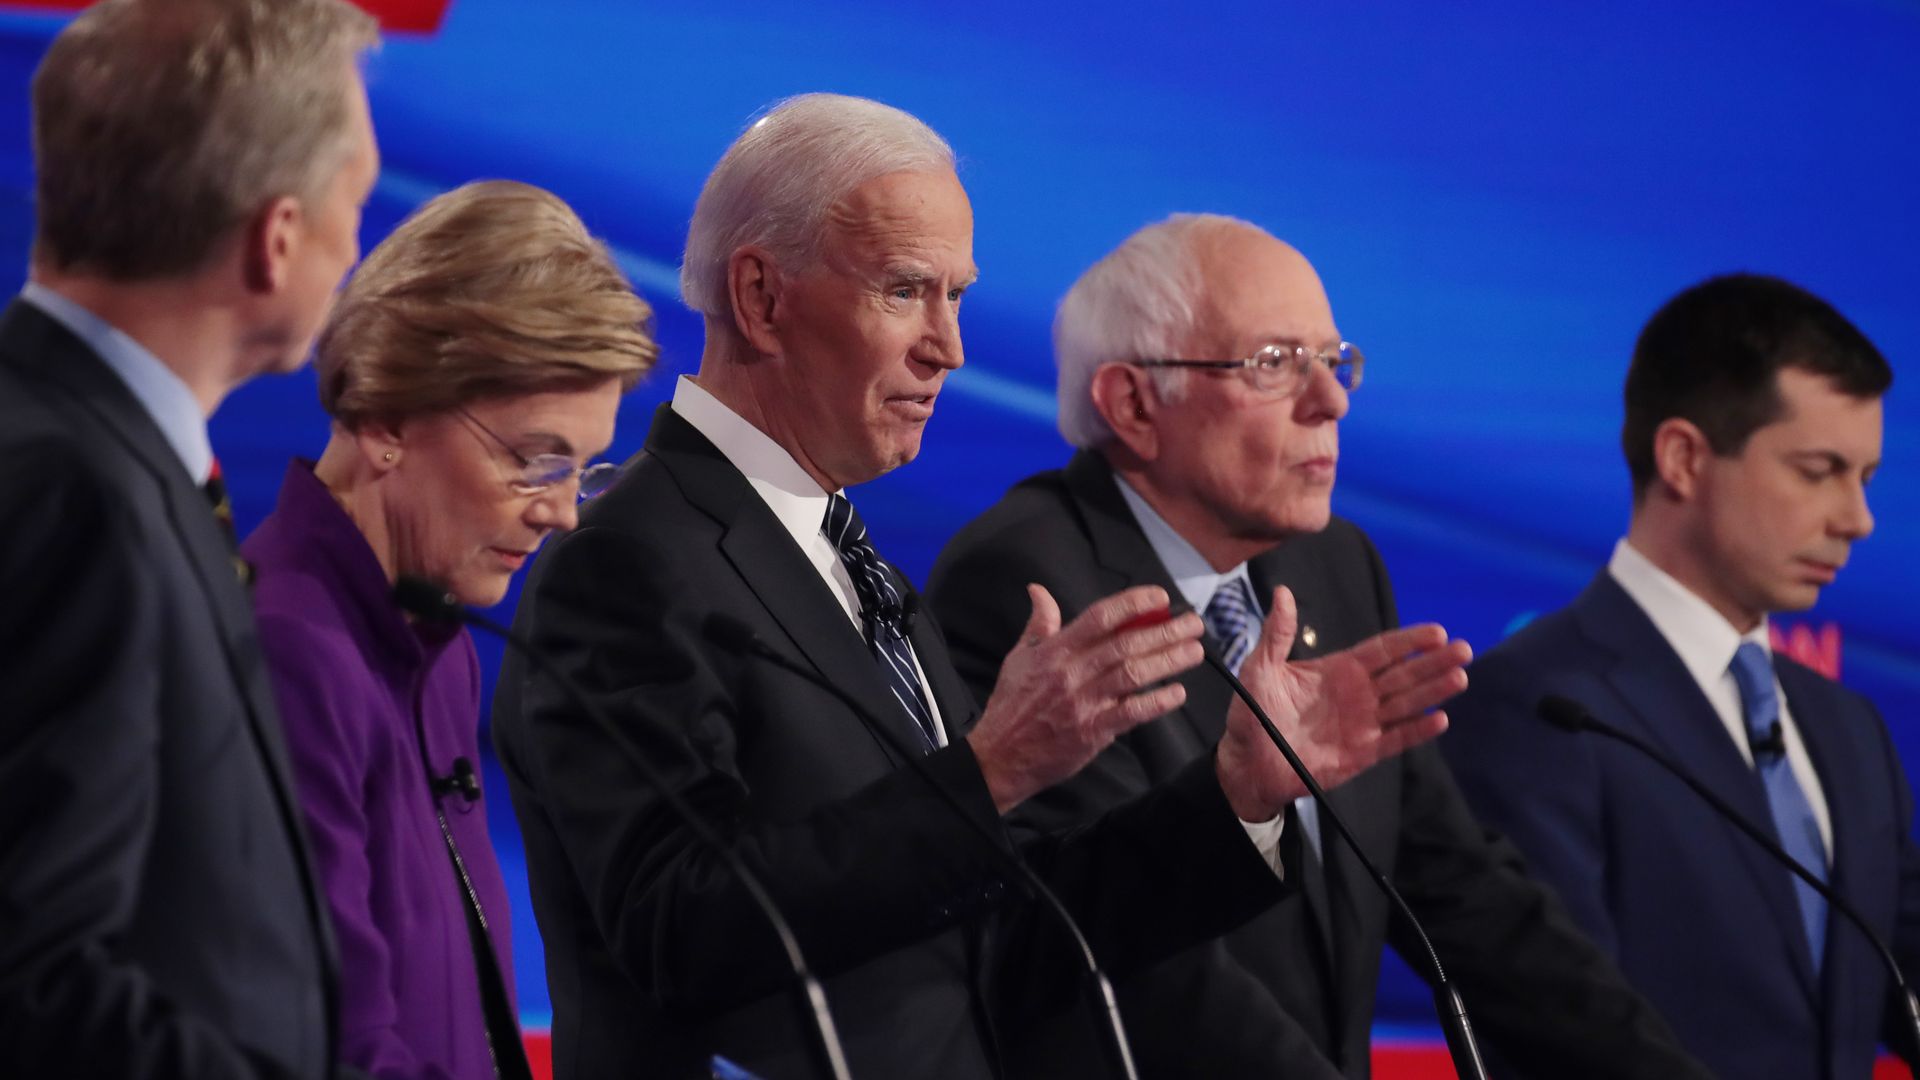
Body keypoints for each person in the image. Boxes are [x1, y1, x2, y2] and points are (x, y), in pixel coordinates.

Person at [491, 94, 1470, 1080]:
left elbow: (1005, 941)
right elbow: (679, 929)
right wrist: (993, 768)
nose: (948, 347)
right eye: (906, 290)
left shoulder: (850, 562)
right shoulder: (628, 563)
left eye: (957, 296)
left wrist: (1236, 800)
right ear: (762, 298)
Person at [927, 213, 1712, 1080]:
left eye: (1334, 363)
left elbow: (1458, 891)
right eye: (1274, 365)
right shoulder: (1030, 585)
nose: (1331, 401)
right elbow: (1143, 960)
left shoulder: (1334, 565)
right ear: (1133, 403)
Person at [0, 1, 380, 1076]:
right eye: (353, 206)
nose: (358, 248)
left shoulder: (89, 452)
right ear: (276, 238)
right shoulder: (76, 495)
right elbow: (34, 981)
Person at [1442, 273, 1920, 1079]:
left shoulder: (1849, 731)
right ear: (1684, 458)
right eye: (1818, 470)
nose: (1857, 520)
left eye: (1865, 478)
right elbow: (1557, 1033)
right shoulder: (1536, 706)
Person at [242, 180, 657, 1080]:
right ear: (388, 415)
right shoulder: (286, 652)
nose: (562, 516)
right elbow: (329, 1054)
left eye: (582, 471)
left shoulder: (443, 648)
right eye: (534, 461)